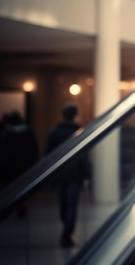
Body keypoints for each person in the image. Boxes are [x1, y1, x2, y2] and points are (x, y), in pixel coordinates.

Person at [45, 103, 91, 248]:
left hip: (59, 175)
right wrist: (86, 175)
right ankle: (67, 233)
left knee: (63, 205)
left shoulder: (54, 132)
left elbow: (48, 154)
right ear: (75, 116)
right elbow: (84, 157)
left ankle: (66, 231)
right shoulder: (79, 132)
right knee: (72, 205)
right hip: (75, 176)